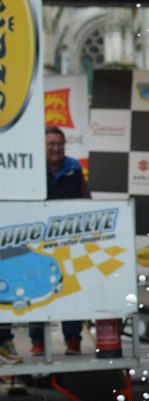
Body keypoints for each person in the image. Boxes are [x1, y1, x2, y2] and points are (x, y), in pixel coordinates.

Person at [28, 126, 91, 356]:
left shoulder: (74, 167)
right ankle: (38, 341)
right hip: (37, 242)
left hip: (68, 242)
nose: (56, 148)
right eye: (50, 144)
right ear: (42, 146)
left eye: (59, 144)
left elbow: (87, 200)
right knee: (36, 289)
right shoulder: (32, 167)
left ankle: (73, 340)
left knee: (70, 289)